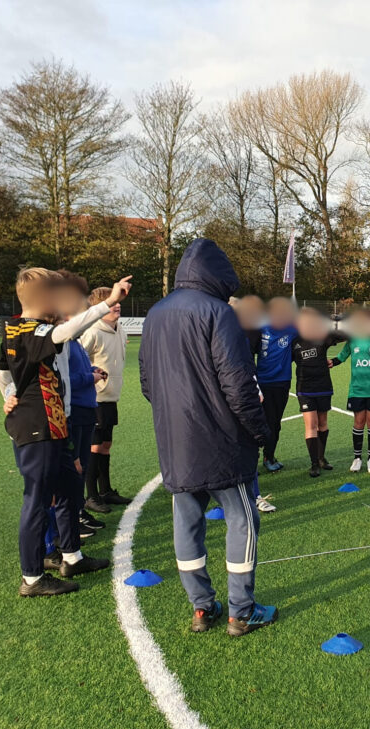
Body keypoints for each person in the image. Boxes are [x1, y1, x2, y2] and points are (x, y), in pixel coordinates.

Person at [139, 238, 276, 637]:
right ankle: (241, 611)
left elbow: (147, 382)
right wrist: (260, 431)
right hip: (222, 440)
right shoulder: (219, 313)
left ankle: (201, 607)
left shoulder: (155, 313)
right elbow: (238, 384)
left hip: (175, 440)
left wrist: (175, 416)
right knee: (243, 520)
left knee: (186, 522)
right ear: (220, 275)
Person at [0, 267, 130, 597]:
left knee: (71, 487)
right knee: (37, 499)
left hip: (56, 425)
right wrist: (108, 302)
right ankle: (32, 578)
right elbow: (65, 332)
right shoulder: (31, 330)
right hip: (38, 429)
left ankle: (72, 556)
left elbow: (2, 372)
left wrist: (9, 393)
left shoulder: (22, 329)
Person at [55, 270, 108, 535]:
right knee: (73, 467)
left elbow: (77, 370)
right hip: (74, 410)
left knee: (81, 465)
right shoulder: (61, 339)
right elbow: (64, 379)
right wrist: (90, 377)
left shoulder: (74, 340)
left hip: (87, 408)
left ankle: (77, 513)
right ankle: (69, 521)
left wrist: (92, 370)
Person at [80, 286, 130, 513]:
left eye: (118, 302)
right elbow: (78, 361)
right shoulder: (91, 332)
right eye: (112, 303)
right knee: (94, 446)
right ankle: (91, 496)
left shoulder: (120, 330)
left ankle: (106, 491)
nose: (117, 306)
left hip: (111, 397)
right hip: (95, 399)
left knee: (106, 445)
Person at [231, 296, 277, 513]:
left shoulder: (245, 336)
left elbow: (247, 367)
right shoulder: (218, 336)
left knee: (247, 445)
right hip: (224, 397)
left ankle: (255, 496)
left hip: (244, 390)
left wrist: (255, 389)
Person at [331, 307, 370, 473]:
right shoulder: (352, 340)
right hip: (356, 390)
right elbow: (342, 357)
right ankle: (357, 458)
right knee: (358, 422)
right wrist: (332, 362)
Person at [292, 307, 346, 477]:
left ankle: (322, 458)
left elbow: (346, 335)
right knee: (311, 425)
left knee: (322, 423)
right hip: (305, 388)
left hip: (323, 386)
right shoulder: (295, 341)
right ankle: (314, 463)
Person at [256, 298, 299, 472]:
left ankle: (269, 456)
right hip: (261, 383)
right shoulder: (260, 327)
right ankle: (253, 459)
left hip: (281, 382)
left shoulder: (291, 328)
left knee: (275, 422)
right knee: (257, 422)